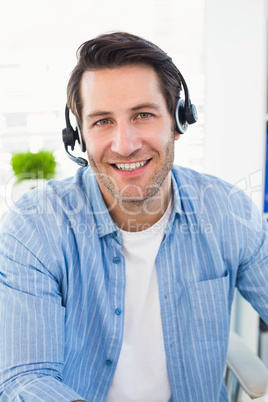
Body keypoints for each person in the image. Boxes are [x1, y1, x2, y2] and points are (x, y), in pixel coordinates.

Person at [0, 31, 268, 402]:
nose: (124, 144)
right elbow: (25, 379)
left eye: (142, 115)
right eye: (102, 121)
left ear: (178, 121)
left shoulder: (229, 211)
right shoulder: (35, 227)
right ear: (78, 135)